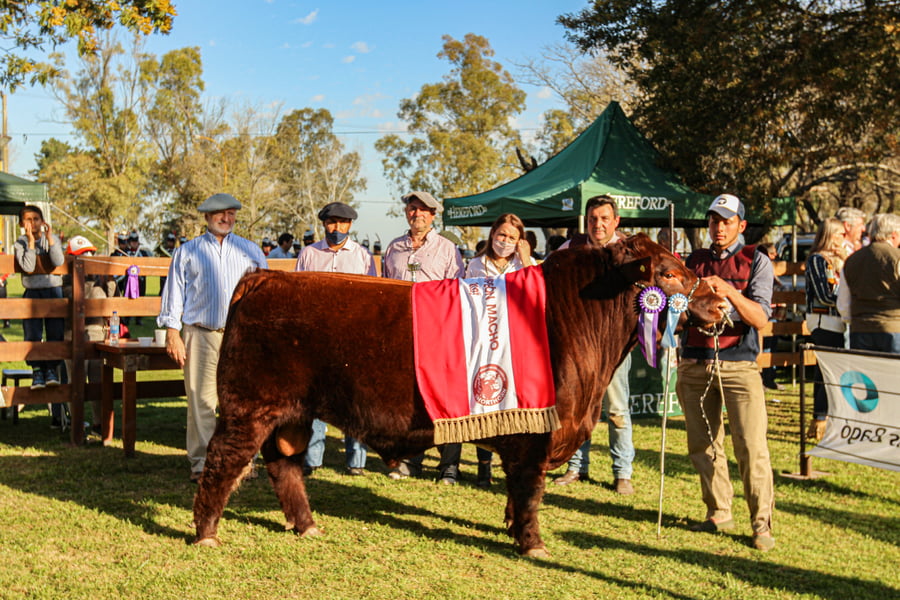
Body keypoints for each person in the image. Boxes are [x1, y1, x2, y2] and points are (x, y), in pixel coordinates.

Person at [677, 193, 776, 552]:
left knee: (750, 446)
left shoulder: (756, 260)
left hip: (738, 364)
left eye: (726, 221)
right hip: (694, 361)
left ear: (741, 226)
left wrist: (731, 294)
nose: (719, 227)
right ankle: (718, 511)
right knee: (702, 445)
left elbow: (761, 318)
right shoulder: (694, 260)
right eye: (714, 220)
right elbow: (680, 310)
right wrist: (683, 314)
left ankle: (761, 523)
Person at [157, 193, 268, 482]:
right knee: (201, 401)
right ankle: (202, 464)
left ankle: (242, 462)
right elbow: (174, 294)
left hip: (241, 336)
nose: (226, 219)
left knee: (242, 402)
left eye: (231, 214)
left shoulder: (251, 251)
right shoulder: (188, 252)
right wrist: (172, 332)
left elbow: (264, 295)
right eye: (220, 214)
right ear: (207, 216)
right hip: (200, 332)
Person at [434, 213, 535, 487]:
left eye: (512, 237)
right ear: (492, 235)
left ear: (520, 241)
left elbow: (536, 291)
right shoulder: (476, 264)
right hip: (478, 343)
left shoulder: (523, 265)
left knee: (499, 406)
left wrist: (525, 258)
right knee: (475, 402)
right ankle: (451, 467)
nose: (505, 241)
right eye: (502, 235)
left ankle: (486, 468)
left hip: (512, 346)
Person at [553, 196, 635, 495]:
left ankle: (622, 471)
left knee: (616, 408)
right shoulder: (571, 247)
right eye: (592, 219)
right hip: (576, 345)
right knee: (577, 406)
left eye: (604, 218)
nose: (597, 224)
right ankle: (576, 466)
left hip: (612, 348)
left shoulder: (628, 253)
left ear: (616, 221)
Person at [382, 190, 464, 481]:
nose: (416, 214)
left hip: (438, 335)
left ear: (433, 216)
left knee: (445, 400)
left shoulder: (447, 249)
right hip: (402, 336)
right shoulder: (393, 248)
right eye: (412, 209)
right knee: (410, 401)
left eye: (423, 210)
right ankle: (409, 463)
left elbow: (458, 293)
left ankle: (449, 468)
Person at [295, 202, 375, 476]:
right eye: (331, 222)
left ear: (350, 225)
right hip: (317, 338)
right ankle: (313, 458)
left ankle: (356, 461)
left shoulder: (363, 257)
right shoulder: (309, 254)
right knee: (316, 400)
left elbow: (371, 299)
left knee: (355, 399)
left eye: (342, 223)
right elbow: (299, 295)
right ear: (323, 224)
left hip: (352, 337)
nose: (336, 228)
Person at [14, 206, 66, 422]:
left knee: (55, 332)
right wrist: (31, 242)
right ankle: (37, 370)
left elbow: (58, 261)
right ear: (21, 223)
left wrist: (49, 239)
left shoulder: (51, 238)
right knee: (32, 333)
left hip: (53, 290)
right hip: (32, 292)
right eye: (28, 220)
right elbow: (27, 266)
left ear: (43, 221)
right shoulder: (20, 243)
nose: (32, 223)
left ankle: (52, 369)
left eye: (36, 219)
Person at [66, 235, 116, 437]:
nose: (88, 257)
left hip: (98, 334)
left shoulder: (101, 278)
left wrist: (110, 280)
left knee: (98, 379)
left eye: (90, 253)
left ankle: (98, 423)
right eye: (81, 254)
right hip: (72, 335)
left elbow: (114, 301)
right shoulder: (66, 280)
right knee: (76, 379)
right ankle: (76, 423)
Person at [804, 218, 848, 440]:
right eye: (839, 234)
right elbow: (824, 296)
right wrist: (848, 299)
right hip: (824, 321)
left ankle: (825, 419)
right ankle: (820, 420)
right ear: (829, 236)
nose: (843, 239)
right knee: (826, 372)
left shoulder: (837, 262)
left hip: (838, 322)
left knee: (828, 372)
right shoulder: (816, 260)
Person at [837, 213, 900, 354]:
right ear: (894, 234)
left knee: (866, 376)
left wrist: (852, 320)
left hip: (860, 329)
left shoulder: (852, 260)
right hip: (894, 328)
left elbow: (843, 302)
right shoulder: (897, 258)